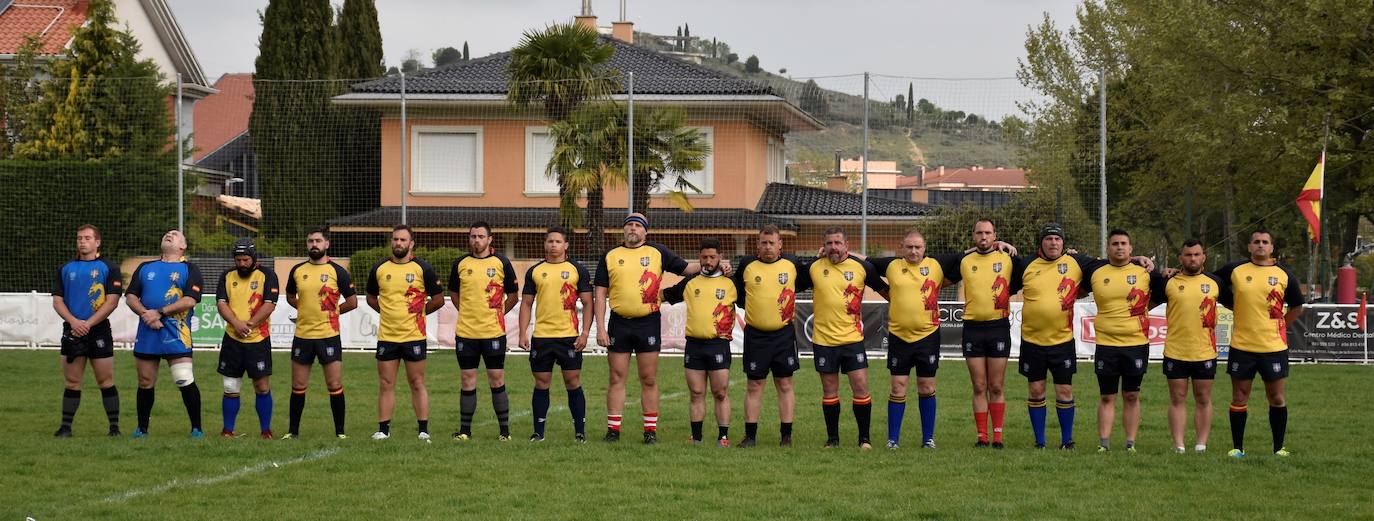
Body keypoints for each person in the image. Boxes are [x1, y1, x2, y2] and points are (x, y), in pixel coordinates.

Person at [594, 213, 720, 444]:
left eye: (638, 225)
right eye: (629, 225)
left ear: (645, 231)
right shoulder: (610, 255)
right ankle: (613, 430)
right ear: (624, 229)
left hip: (648, 322)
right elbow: (600, 293)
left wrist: (716, 264)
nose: (633, 228)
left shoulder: (658, 252)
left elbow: (687, 269)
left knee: (649, 378)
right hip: (619, 323)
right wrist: (600, 328)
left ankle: (650, 431)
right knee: (616, 377)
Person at [867, 230, 959, 449]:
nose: (914, 251)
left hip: (928, 336)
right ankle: (893, 440)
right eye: (909, 247)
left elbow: (966, 256)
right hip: (899, 336)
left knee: (926, 387)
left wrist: (998, 245)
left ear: (924, 248)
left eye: (918, 247)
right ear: (902, 247)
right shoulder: (892, 265)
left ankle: (928, 439)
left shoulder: (936, 265)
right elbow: (865, 262)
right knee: (898, 387)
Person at [1215, 229, 1303, 458]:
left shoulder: (1284, 274)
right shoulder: (1235, 269)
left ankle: (1278, 448)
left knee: (1276, 397)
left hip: (1273, 348)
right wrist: (1233, 303)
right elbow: (1212, 283)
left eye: (1265, 242)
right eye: (1256, 242)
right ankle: (1238, 448)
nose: (1260, 245)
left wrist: (1281, 325)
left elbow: (1297, 306)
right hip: (1242, 347)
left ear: (1272, 247)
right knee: (1239, 397)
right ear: (1249, 247)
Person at [1014, 223, 1099, 450]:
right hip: (1032, 342)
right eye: (1049, 239)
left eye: (1057, 239)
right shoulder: (1026, 265)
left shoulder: (1076, 262)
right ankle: (1040, 442)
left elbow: (1109, 265)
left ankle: (1067, 441)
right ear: (1041, 243)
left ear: (1063, 243)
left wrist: (1138, 260)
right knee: (1036, 390)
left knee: (1064, 390)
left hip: (1062, 342)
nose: (1053, 243)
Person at [1081, 229, 1162, 452]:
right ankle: (1104, 444)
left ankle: (1130, 444)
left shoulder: (1145, 273)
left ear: (1130, 248)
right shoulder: (1095, 270)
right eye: (1115, 243)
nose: (1119, 247)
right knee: (1107, 396)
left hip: (1136, 344)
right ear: (1108, 248)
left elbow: (1163, 291)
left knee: (1131, 394)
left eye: (1123, 243)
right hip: (1106, 344)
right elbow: (1075, 267)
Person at [945, 219, 1023, 448]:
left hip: (998, 327)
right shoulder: (965, 261)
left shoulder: (1007, 259)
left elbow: (1029, 270)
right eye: (979, 232)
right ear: (973, 236)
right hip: (972, 328)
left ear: (995, 235)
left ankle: (997, 437)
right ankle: (982, 437)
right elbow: (943, 272)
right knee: (979, 386)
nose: (984, 236)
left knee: (996, 386)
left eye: (988, 233)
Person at [808, 227, 887, 448]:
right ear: (823, 246)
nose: (833, 247)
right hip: (823, 341)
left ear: (846, 245)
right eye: (829, 243)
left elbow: (886, 290)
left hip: (852, 340)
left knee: (860, 387)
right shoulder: (813, 267)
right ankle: (833, 440)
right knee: (829, 390)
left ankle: (864, 439)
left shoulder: (861, 267)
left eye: (837, 243)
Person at [365, 225, 445, 442]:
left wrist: (419, 312)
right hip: (387, 337)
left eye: (402, 240)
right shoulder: (380, 268)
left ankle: (423, 430)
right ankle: (383, 430)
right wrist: (386, 312)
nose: (398, 243)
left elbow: (438, 299)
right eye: (395, 239)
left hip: (414, 336)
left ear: (411, 244)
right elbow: (370, 297)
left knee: (417, 382)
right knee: (386, 383)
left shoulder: (423, 268)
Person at [733, 224, 810, 448]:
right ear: (757, 245)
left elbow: (805, 281)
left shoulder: (792, 263)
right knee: (754, 385)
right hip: (755, 336)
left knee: (784, 383)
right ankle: (750, 436)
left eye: (771, 243)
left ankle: (786, 436)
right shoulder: (747, 264)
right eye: (763, 243)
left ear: (780, 245)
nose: (767, 247)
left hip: (783, 335)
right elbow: (738, 294)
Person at [125, 229, 205, 438]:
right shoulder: (145, 267)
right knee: (145, 381)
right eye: (167, 234)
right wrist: (147, 315)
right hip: (148, 329)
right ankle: (142, 429)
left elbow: (190, 300)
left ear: (183, 246)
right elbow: (131, 297)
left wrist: (159, 313)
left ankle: (197, 429)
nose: (169, 234)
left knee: (183, 378)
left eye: (175, 234)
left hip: (176, 330)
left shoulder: (190, 269)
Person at [518, 227, 593, 442]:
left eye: (558, 241)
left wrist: (584, 333)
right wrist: (523, 332)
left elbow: (588, 303)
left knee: (573, 381)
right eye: (550, 241)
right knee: (541, 382)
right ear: (545, 244)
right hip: (542, 336)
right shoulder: (535, 271)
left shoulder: (578, 270)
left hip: (568, 336)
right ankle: (538, 432)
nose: (553, 245)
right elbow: (526, 303)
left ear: (566, 245)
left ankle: (580, 432)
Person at [283, 227, 357, 439]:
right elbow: (290, 296)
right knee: (298, 385)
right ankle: (293, 432)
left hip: (328, 336)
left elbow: (352, 302)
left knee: (334, 384)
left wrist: (332, 312)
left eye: (317, 241)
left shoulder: (337, 271)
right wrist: (305, 309)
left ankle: (340, 432)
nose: (313, 244)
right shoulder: (297, 270)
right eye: (310, 241)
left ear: (326, 244)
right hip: (303, 336)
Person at [662, 238, 737, 447]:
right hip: (694, 345)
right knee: (696, 393)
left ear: (720, 257)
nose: (708, 261)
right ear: (699, 258)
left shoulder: (731, 282)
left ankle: (723, 437)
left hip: (718, 344)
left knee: (720, 392)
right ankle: (696, 437)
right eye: (704, 257)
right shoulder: (690, 281)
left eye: (712, 257)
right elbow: (664, 295)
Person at [448, 221, 519, 441]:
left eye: (480, 236)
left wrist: (498, 313)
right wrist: (466, 311)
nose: (476, 240)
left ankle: (504, 432)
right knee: (467, 379)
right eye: (473, 236)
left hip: (493, 333)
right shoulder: (460, 263)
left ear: (489, 239)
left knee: (496, 379)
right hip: (466, 333)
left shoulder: (502, 263)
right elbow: (454, 293)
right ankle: (465, 431)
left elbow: (513, 295)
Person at [51, 224, 124, 437]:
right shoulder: (65, 269)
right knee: (72, 382)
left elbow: (112, 302)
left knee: (105, 380)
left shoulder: (109, 267)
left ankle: (114, 429)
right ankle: (65, 428)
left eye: (87, 238)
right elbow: (57, 301)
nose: (82, 242)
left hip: (98, 330)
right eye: (79, 238)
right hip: (72, 330)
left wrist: (88, 324)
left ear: (97, 242)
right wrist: (74, 322)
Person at [1153, 238, 1224, 454]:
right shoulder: (1168, 282)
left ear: (1204, 257)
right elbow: (1146, 299)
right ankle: (1179, 445)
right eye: (1188, 255)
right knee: (1177, 399)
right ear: (1180, 258)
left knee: (1203, 399)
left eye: (1196, 254)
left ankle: (1201, 445)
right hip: (1176, 351)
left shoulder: (1215, 282)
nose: (1193, 258)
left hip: (1205, 352)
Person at [215, 239, 279, 439]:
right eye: (238, 260)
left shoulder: (267, 275)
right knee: (230, 386)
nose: (241, 263)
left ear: (253, 258)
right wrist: (236, 323)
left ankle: (265, 430)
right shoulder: (227, 275)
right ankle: (228, 430)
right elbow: (221, 303)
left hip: (258, 340)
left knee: (261, 386)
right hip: (232, 340)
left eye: (245, 260)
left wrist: (249, 324)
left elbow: (269, 304)